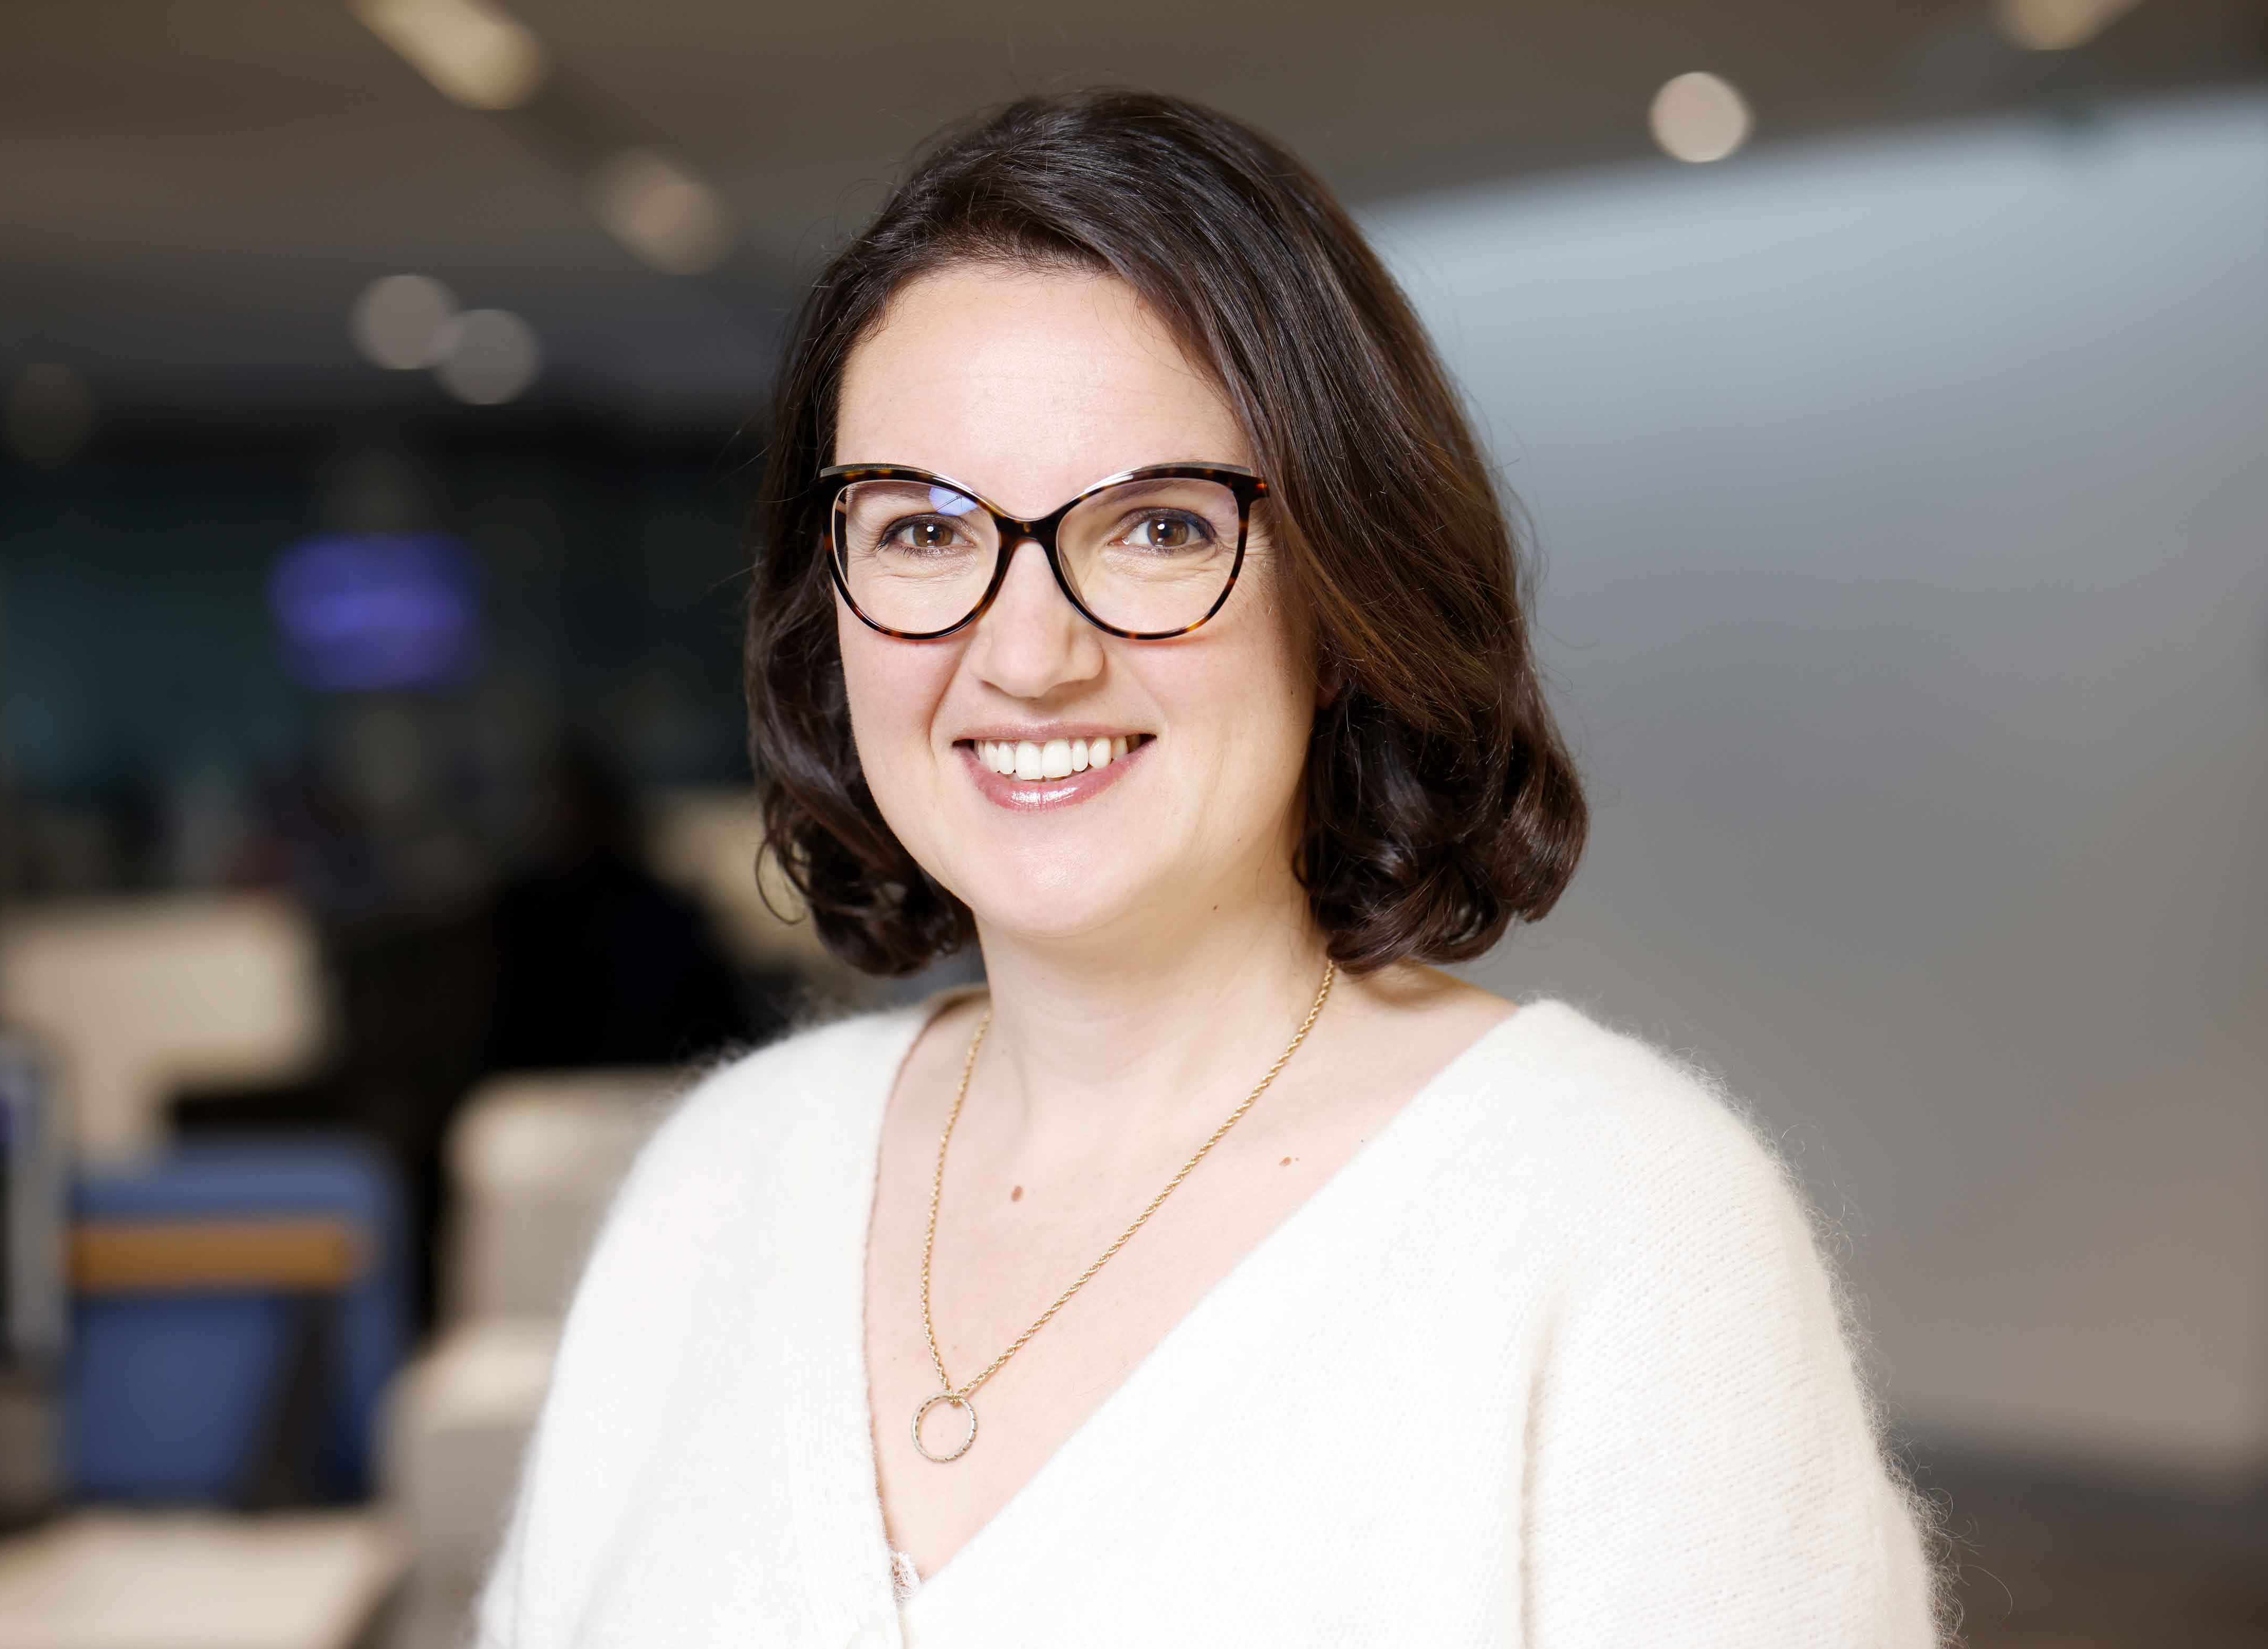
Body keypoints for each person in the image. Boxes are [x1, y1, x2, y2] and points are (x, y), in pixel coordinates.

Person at [475, 90, 1951, 1648]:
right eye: (921, 530)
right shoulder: (718, 1178)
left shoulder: (1617, 1215)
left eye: (1160, 528)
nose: (1027, 654)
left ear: (1347, 595)